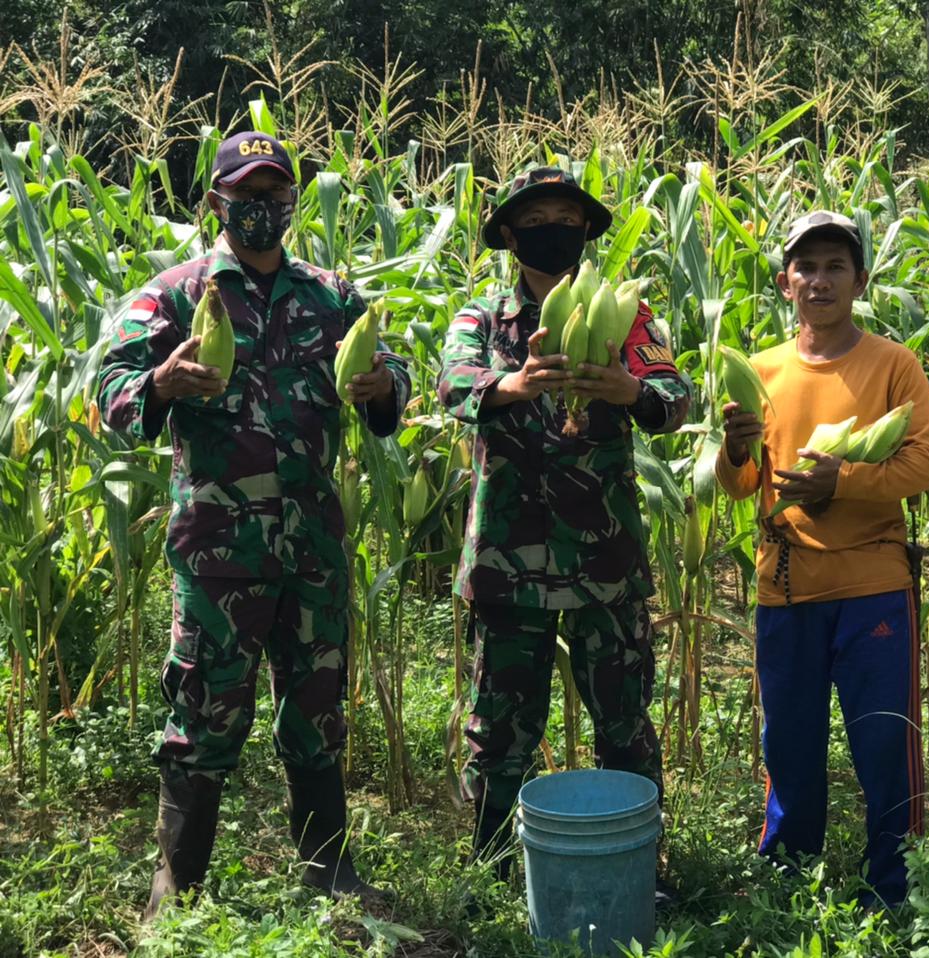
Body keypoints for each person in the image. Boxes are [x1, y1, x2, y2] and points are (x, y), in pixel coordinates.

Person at [97, 131, 410, 918]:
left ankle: (329, 875)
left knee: (317, 713)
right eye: (246, 194)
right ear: (217, 202)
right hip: (218, 555)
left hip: (313, 548)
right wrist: (162, 381)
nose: (261, 208)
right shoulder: (175, 294)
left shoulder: (332, 295)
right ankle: (179, 886)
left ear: (294, 201)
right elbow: (112, 389)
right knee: (203, 715)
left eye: (275, 194)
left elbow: (390, 385)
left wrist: (381, 386)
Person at [437, 167, 690, 892]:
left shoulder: (628, 317)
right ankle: (489, 869)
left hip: (603, 555)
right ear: (511, 235)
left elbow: (674, 396)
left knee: (625, 719)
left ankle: (643, 861)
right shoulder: (482, 318)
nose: (556, 229)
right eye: (538, 218)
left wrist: (631, 390)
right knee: (500, 724)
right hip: (509, 558)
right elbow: (453, 384)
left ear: (584, 231)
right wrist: (510, 384)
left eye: (567, 217)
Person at [716, 211, 929, 909]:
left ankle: (895, 890)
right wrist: (733, 452)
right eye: (806, 267)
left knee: (884, 747)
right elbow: (742, 485)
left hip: (873, 585)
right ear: (785, 281)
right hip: (785, 588)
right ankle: (788, 880)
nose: (819, 280)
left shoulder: (892, 364)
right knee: (788, 745)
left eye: (835, 267)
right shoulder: (759, 370)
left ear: (861, 280)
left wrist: (840, 482)